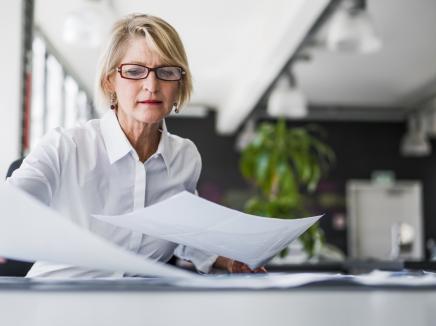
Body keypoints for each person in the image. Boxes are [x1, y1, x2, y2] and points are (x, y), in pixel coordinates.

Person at [6, 13, 265, 277]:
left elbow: (181, 230)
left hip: (140, 303)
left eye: (166, 72)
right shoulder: (65, 146)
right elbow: (9, 209)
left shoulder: (184, 158)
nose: (151, 86)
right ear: (110, 82)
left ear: (179, 84)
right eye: (134, 71)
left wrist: (229, 259)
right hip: (60, 302)